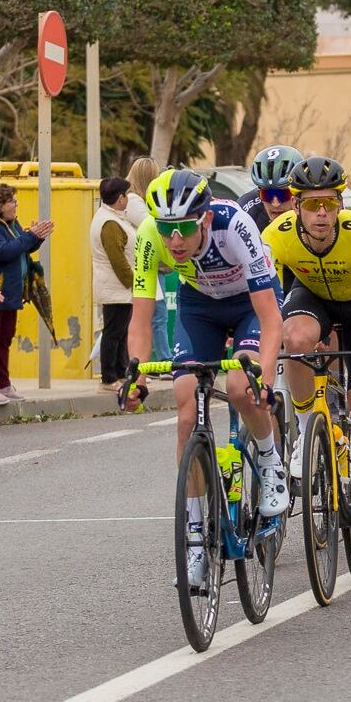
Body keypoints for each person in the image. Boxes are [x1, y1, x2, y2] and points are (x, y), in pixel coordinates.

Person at [124, 170, 285, 589]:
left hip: (250, 304)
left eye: (183, 229)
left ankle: (270, 463)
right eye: (166, 229)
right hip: (200, 307)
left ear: (205, 220)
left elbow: (270, 319)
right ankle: (196, 539)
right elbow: (141, 315)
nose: (174, 241)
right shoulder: (148, 236)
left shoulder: (234, 225)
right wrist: (135, 373)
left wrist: (264, 381)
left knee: (239, 387)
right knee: (184, 405)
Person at [265, 158, 351, 565]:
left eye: (329, 204)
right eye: (312, 205)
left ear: (340, 205)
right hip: (311, 300)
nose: (321, 214)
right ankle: (307, 430)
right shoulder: (276, 237)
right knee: (295, 339)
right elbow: (264, 308)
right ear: (296, 206)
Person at [0, 183, 52, 404]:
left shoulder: (11, 223)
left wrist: (37, 237)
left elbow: (21, 247)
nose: (16, 205)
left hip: (9, 294)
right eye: (12, 201)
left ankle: (3, 383)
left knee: (5, 338)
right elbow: (4, 252)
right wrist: (30, 236)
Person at [91, 177, 137, 391]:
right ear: (120, 198)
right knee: (113, 332)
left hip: (118, 286)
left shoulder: (114, 218)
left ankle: (121, 371)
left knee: (120, 331)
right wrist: (132, 281)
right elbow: (117, 258)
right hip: (116, 286)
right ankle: (108, 377)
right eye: (127, 195)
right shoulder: (109, 223)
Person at [123, 156, 169, 359]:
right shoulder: (134, 202)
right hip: (146, 266)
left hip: (152, 265)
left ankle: (153, 357)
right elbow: (152, 226)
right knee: (157, 315)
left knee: (155, 315)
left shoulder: (136, 200)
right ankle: (162, 358)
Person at [241, 145, 302, 231]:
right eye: (267, 195)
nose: (275, 204)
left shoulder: (315, 212)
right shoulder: (248, 213)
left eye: (283, 195)